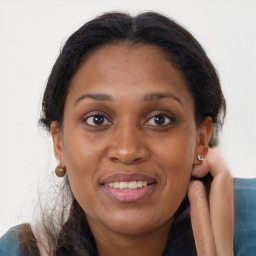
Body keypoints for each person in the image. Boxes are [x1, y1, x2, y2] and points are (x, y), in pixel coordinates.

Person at [0, 11, 255, 256]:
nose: (127, 150)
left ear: (200, 139)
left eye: (159, 119)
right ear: (59, 144)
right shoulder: (20, 251)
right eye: (97, 119)